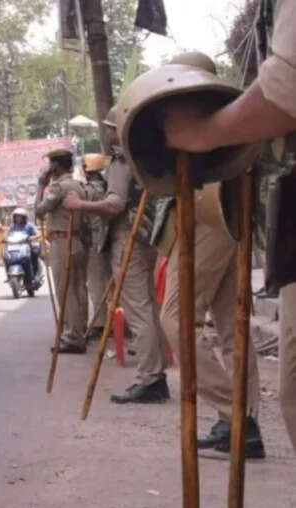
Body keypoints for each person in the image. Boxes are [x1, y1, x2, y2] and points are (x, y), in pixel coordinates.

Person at [162, 3, 296, 451]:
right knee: (229, 327)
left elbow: (286, 88)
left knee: (179, 319)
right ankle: (241, 421)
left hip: (213, 225)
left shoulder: (226, 126)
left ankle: (234, 411)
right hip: (219, 227)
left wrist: (200, 134)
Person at [63, 107, 170, 401]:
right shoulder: (149, 155)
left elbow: (115, 205)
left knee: (138, 309)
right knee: (150, 306)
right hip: (150, 236)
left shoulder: (123, 160)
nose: (107, 132)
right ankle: (157, 370)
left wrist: (80, 206)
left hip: (129, 237)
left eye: (110, 127)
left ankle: (150, 377)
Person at [36, 148, 89, 354]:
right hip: (77, 241)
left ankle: (73, 336)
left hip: (62, 242)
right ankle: (80, 331)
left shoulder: (58, 187)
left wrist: (41, 185)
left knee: (65, 290)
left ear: (56, 166)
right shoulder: (79, 185)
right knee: (79, 289)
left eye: (50, 163)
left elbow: (39, 211)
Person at [82, 153, 112, 339]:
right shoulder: (108, 187)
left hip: (95, 241)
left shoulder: (88, 191)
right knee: (109, 281)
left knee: (96, 283)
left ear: (87, 170)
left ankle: (100, 324)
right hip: (109, 239)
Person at [8, 207, 42, 279]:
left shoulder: (29, 225)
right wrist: (5, 239)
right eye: (17, 216)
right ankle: (9, 274)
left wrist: (32, 237)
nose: (18, 218)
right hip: (15, 247)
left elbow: (38, 234)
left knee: (34, 254)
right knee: (6, 256)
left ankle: (36, 273)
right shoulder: (12, 226)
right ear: (14, 217)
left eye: (20, 216)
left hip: (27, 246)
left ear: (24, 217)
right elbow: (9, 235)